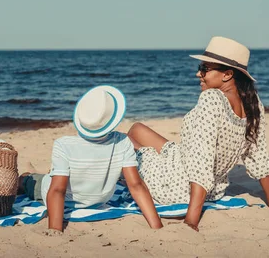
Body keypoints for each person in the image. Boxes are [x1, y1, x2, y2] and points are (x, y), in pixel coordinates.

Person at [128, 36, 269, 232]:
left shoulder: (211, 99)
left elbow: (201, 162)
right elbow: (258, 157)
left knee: (122, 141)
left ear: (227, 74)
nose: (198, 74)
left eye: (205, 69)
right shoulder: (253, 104)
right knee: (137, 129)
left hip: (176, 185)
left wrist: (191, 221)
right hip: (212, 189)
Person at [18, 85, 163, 233]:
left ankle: (28, 176)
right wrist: (157, 226)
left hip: (64, 198)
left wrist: (55, 229)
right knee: (43, 175)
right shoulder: (123, 142)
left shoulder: (64, 144)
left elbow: (57, 190)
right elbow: (136, 185)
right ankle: (33, 173)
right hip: (98, 201)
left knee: (27, 181)